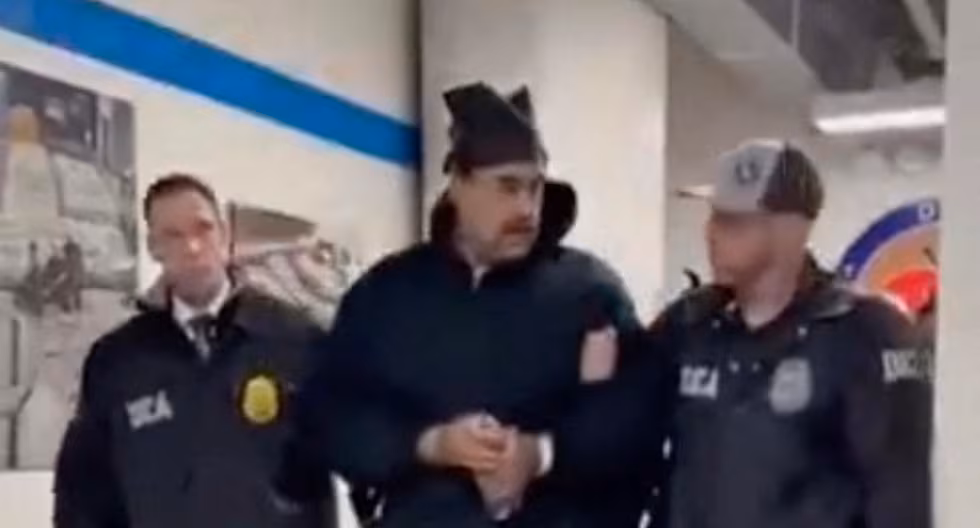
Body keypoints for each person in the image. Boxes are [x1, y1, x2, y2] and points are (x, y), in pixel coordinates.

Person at [275, 82, 671, 528]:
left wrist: (540, 453)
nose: (526, 208)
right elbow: (331, 415)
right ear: (458, 186)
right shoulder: (388, 294)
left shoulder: (588, 294)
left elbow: (636, 419)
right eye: (507, 188)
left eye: (535, 188)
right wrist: (429, 444)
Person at [650, 140, 933, 528]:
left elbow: (898, 497)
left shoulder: (865, 332)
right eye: (713, 217)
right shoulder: (690, 325)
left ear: (790, 231)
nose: (711, 233)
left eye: (733, 222)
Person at [53, 174, 336, 528]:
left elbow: (356, 451)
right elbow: (83, 493)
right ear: (154, 248)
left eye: (203, 228)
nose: (192, 247)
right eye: (173, 235)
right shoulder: (117, 361)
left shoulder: (296, 339)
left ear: (225, 236)